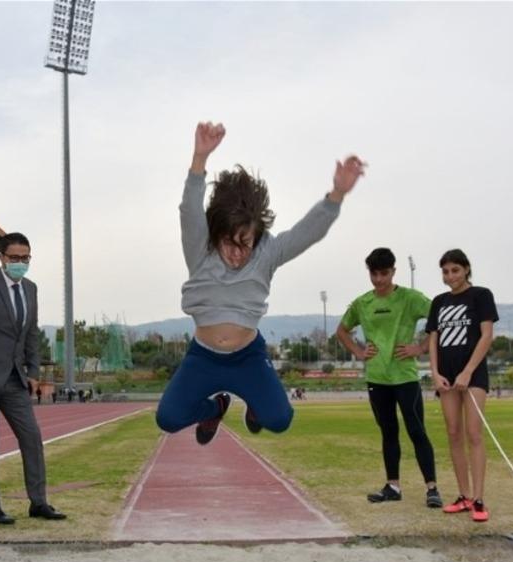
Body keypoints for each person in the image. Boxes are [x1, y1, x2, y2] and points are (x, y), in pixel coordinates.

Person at [155, 121, 364, 444]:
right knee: (167, 418)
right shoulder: (200, 248)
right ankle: (213, 409)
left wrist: (336, 194)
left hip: (247, 357)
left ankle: (254, 407)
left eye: (246, 244)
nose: (238, 254)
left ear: (257, 237)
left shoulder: (267, 253)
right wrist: (199, 159)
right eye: (230, 243)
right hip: (204, 357)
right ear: (216, 234)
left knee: (279, 420)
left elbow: (307, 233)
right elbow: (190, 210)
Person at [0, 232, 66, 525]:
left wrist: (33, 372)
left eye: (25, 258)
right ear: (1, 258)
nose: (20, 263)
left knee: (32, 437)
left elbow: (31, 332)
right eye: (14, 258)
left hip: (15, 379)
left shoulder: (30, 288)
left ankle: (38, 502)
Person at [337, 247, 442, 508]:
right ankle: (393, 486)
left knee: (417, 430)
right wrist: (359, 352)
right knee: (388, 432)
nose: (379, 280)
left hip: (405, 378)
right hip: (377, 379)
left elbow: (437, 319)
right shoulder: (363, 303)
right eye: (374, 274)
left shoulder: (410, 298)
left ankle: (432, 488)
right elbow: (342, 331)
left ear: (394, 272)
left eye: (384, 274)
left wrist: (420, 347)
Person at [425, 249, 498, 523]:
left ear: (466, 269)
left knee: (473, 432)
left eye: (455, 270)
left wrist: (468, 371)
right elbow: (433, 338)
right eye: (445, 271)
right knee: (453, 432)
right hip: (446, 375)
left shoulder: (481, 295)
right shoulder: (439, 302)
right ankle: (464, 495)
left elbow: (487, 335)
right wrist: (434, 372)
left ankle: (479, 499)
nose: (450, 276)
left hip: (473, 375)